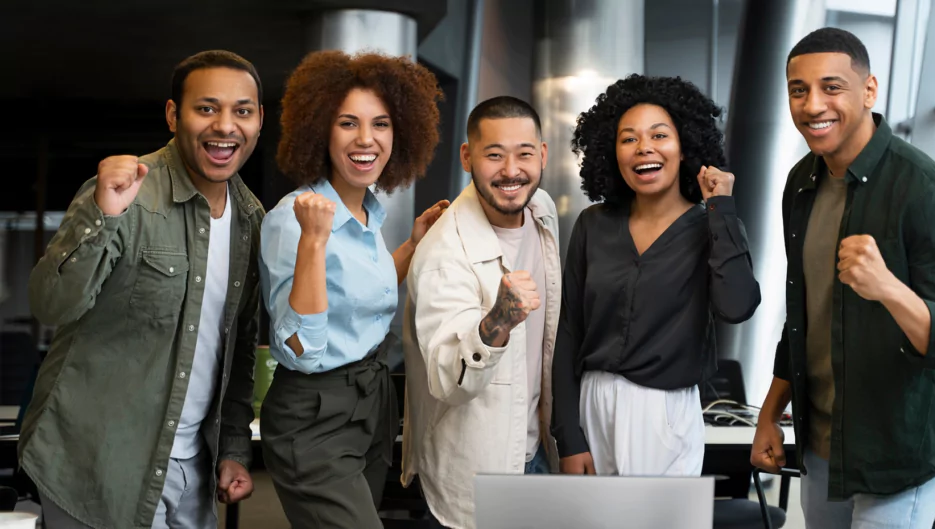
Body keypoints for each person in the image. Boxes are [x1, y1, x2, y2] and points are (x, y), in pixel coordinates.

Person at [19, 50, 264, 529]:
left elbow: (236, 352)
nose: (225, 126)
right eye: (207, 108)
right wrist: (103, 214)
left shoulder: (253, 219)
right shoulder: (127, 192)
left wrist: (234, 448)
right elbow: (50, 305)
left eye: (242, 111)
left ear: (258, 122)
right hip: (95, 467)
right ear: (174, 115)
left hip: (193, 472)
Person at [749, 28, 935, 528]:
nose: (813, 106)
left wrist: (889, 288)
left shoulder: (924, 187)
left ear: (869, 90)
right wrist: (770, 412)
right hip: (822, 448)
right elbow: (802, 315)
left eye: (832, 87)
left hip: (898, 451)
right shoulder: (801, 182)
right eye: (798, 90)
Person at [257, 50, 447, 529]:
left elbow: (361, 293)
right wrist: (314, 243)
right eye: (348, 123)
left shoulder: (367, 216)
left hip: (370, 405)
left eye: (381, 124)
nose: (367, 139)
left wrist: (409, 247)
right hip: (314, 414)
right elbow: (301, 347)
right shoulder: (295, 218)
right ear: (320, 129)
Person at [550, 74, 761, 478]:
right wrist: (568, 437)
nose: (644, 147)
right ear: (612, 152)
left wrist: (721, 207)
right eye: (628, 138)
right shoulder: (593, 225)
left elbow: (737, 306)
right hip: (591, 406)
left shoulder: (712, 225)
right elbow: (568, 333)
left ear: (685, 148)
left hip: (664, 412)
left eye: (659, 135)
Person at [402, 96, 560, 529]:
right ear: (468, 157)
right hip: (476, 476)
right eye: (494, 155)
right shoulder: (443, 252)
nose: (511, 170)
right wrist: (498, 322)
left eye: (524, 153)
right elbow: (446, 380)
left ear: (542, 154)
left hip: (536, 455)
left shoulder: (542, 211)